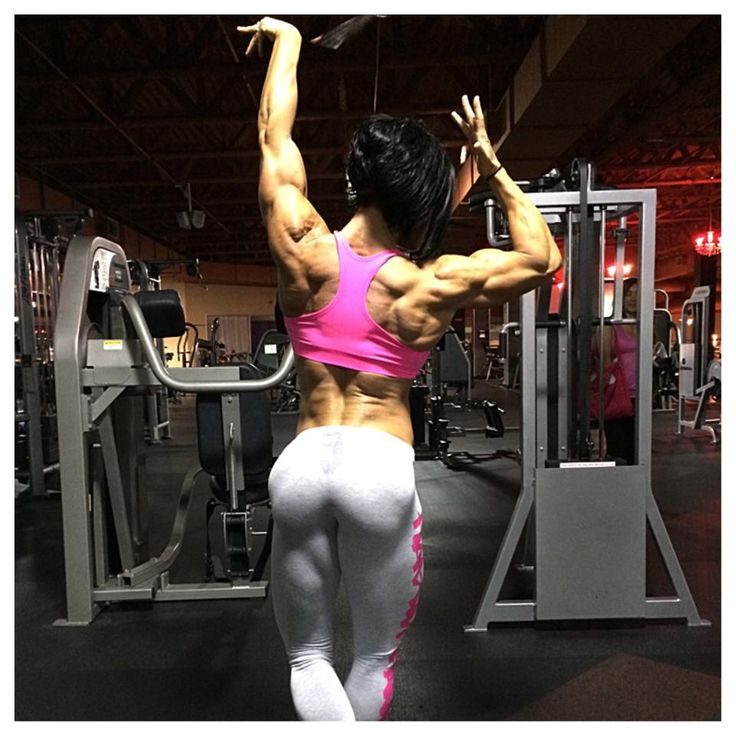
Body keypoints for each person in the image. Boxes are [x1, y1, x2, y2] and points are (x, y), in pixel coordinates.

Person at [237, 17, 561, 721]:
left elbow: (272, 134)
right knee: (375, 658)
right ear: (421, 197)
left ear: (357, 179)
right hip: (379, 467)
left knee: (307, 656)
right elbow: (542, 258)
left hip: (300, 465)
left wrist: (288, 41)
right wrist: (490, 162)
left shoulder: (302, 240)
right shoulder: (431, 283)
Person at [599, 278, 638, 464]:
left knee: (636, 448)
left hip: (639, 395)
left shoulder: (644, 325)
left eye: (637, 293)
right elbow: (605, 362)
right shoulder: (611, 325)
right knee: (618, 449)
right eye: (628, 293)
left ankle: (634, 489)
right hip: (617, 394)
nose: (632, 298)